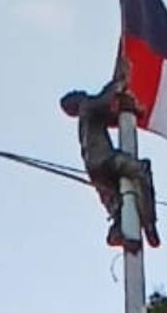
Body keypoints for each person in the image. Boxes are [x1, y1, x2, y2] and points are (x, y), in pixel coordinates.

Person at [59, 71, 160, 251]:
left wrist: (131, 111)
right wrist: (118, 82)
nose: (81, 92)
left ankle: (119, 234)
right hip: (104, 160)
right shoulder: (87, 106)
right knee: (140, 169)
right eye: (76, 93)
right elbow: (105, 99)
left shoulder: (88, 115)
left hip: (94, 168)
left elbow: (110, 115)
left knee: (119, 206)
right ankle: (149, 223)